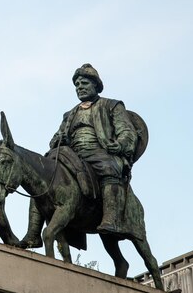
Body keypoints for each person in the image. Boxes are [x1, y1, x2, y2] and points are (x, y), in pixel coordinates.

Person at [50, 63, 137, 234]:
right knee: (44, 173)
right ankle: (34, 231)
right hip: (71, 155)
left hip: (99, 152)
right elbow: (56, 136)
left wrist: (119, 144)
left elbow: (127, 131)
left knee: (109, 167)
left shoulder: (111, 105)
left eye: (84, 83)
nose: (79, 87)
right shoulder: (69, 114)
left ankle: (111, 217)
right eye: (77, 85)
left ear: (95, 85)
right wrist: (57, 140)